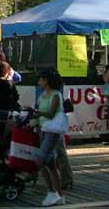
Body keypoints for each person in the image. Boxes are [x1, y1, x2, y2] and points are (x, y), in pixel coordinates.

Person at [32, 69, 67, 207]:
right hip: (43, 130)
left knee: (39, 160)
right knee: (51, 164)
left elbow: (51, 113)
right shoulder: (42, 96)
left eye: (40, 79)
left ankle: (52, 191)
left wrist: (36, 112)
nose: (39, 82)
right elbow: (41, 114)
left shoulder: (56, 95)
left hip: (52, 132)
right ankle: (60, 195)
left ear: (46, 81)